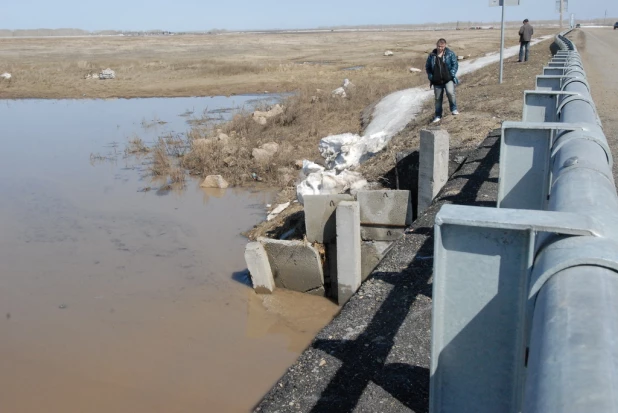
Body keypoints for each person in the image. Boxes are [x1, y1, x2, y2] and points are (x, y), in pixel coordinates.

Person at [425, 38, 459, 123]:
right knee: (438, 99)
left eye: (442, 46)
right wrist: (430, 76)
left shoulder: (450, 54)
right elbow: (428, 67)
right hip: (437, 81)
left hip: (448, 79)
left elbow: (455, 64)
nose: (440, 48)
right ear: (436, 46)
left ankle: (454, 109)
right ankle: (438, 115)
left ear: (445, 46)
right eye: (439, 46)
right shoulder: (432, 55)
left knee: (451, 93)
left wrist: (452, 73)